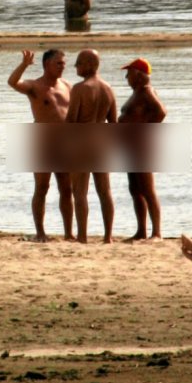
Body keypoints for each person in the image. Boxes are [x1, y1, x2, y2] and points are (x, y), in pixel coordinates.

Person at [7, 49, 73, 241]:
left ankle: (69, 233)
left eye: (64, 63)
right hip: (42, 142)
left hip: (65, 143)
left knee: (66, 189)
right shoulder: (35, 86)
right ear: (47, 65)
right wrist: (24, 65)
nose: (62, 67)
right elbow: (12, 82)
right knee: (42, 188)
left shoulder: (67, 86)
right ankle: (40, 233)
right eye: (58, 63)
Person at [64, 49, 116, 243]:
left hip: (82, 144)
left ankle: (83, 236)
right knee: (105, 191)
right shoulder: (108, 88)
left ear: (89, 64)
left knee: (80, 192)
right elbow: (113, 123)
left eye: (78, 63)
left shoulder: (80, 88)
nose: (76, 67)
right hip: (101, 143)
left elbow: (71, 121)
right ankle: (108, 236)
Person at [119, 57, 166, 240]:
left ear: (138, 75)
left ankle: (156, 232)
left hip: (141, 148)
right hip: (132, 148)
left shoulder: (146, 91)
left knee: (147, 188)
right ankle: (141, 230)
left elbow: (161, 112)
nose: (126, 78)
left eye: (128, 74)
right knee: (135, 189)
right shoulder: (138, 92)